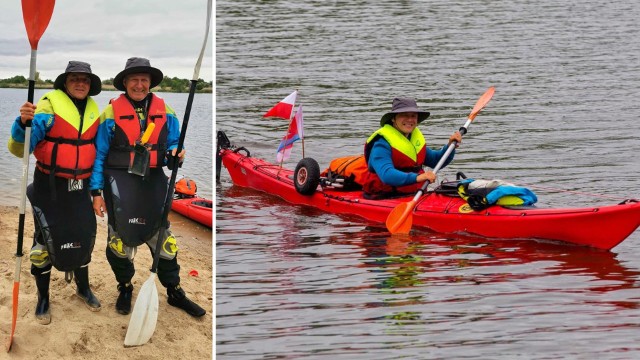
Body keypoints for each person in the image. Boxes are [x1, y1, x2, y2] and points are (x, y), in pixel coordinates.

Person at [89, 57, 205, 318]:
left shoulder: (168, 112)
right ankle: (126, 287)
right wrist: (96, 193)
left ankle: (174, 291)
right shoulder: (109, 114)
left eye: (144, 80)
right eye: (134, 80)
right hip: (119, 182)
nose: (139, 85)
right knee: (119, 242)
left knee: (165, 241)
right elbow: (98, 156)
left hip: (153, 181)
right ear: (125, 83)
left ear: (150, 82)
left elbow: (173, 147)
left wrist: (176, 155)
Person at [7, 61, 103, 324]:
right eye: (74, 78)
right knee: (43, 241)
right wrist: (22, 123)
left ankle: (83, 289)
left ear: (90, 84)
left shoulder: (96, 112)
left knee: (83, 237)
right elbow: (19, 150)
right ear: (65, 82)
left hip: (80, 188)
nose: (80, 83)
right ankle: (43, 298)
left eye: (85, 79)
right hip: (48, 187)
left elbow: (98, 156)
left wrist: (97, 191)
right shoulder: (48, 108)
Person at [363, 97, 462, 199]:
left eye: (413, 116)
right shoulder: (381, 144)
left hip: (416, 194)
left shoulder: (413, 140)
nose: (410, 119)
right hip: (384, 197)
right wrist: (418, 177)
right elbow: (387, 175)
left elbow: (436, 161)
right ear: (393, 118)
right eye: (404, 115)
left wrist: (450, 147)